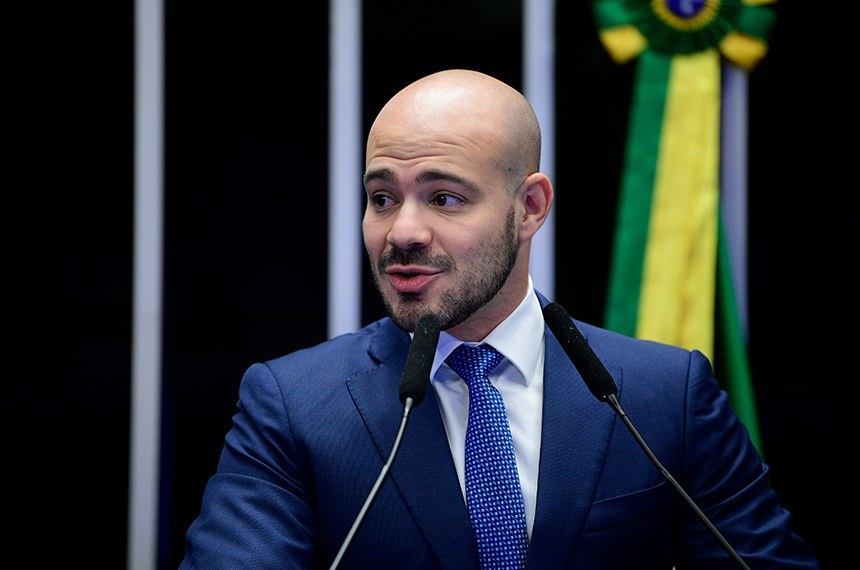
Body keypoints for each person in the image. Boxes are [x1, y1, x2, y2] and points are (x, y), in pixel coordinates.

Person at [179, 69, 819, 569]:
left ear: (530, 207)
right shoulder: (294, 406)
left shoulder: (662, 396)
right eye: (382, 197)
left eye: (444, 197)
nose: (401, 231)